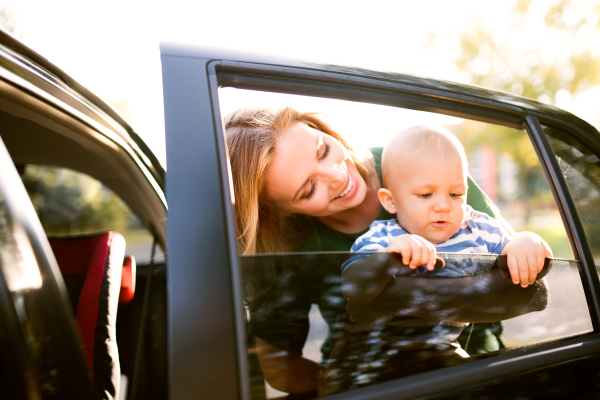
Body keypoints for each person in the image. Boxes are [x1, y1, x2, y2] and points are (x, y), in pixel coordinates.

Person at [225, 106, 549, 396]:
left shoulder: (420, 161)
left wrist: (387, 300)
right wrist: (357, 385)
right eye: (309, 189)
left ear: (320, 129)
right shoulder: (287, 243)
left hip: (473, 365)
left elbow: (521, 279)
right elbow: (278, 365)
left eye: (323, 150)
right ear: (279, 211)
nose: (339, 177)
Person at [339, 124, 551, 360]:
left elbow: (524, 266)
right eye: (426, 195)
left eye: (455, 194)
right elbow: (353, 285)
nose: (443, 205)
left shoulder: (479, 231)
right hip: (372, 352)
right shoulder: (384, 237)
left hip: (442, 347)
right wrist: (388, 258)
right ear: (390, 201)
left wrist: (527, 241)